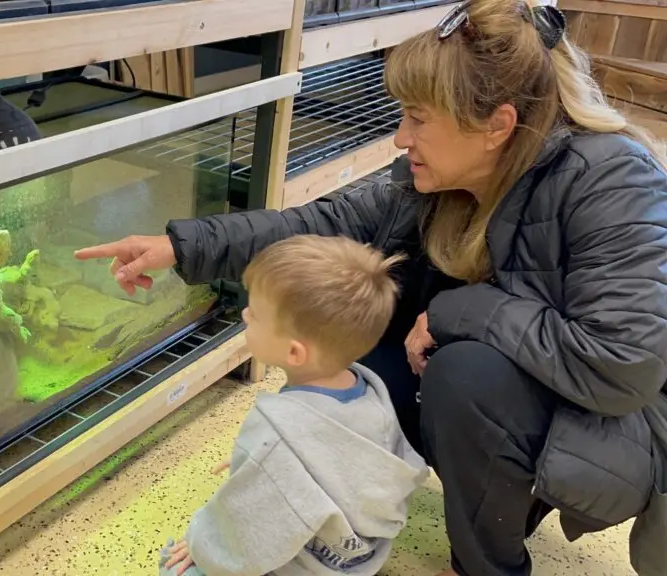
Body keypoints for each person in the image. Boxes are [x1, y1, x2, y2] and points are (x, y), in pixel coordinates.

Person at [75, 0, 667, 574]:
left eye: (418, 117)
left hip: (615, 423)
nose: (401, 138)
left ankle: (489, 565)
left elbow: (623, 365)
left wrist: (460, 310)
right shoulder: (431, 178)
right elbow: (321, 226)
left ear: (496, 126)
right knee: (357, 318)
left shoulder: (610, 180)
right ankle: (344, 493)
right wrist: (181, 247)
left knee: (467, 374)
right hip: (520, 385)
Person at [156, 235, 429, 576]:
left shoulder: (277, 433)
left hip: (304, 566)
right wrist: (272, 456)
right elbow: (340, 457)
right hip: (356, 560)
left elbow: (246, 534)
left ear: (294, 353)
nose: (244, 314)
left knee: (178, 568)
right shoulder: (370, 393)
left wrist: (201, 543)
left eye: (254, 315)